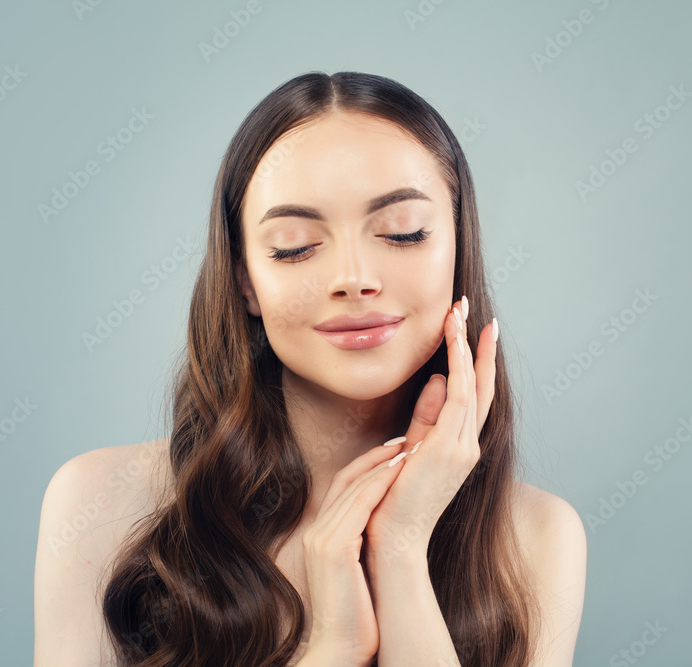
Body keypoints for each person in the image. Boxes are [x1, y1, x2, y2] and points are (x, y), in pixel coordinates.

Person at [34, 70, 586, 667]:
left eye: (403, 233)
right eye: (294, 246)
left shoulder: (536, 537)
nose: (353, 278)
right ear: (246, 279)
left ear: (458, 248)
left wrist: (398, 549)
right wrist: (334, 649)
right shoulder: (101, 504)